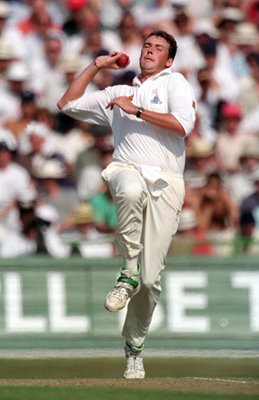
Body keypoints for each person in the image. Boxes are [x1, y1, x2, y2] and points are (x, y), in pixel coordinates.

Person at [57, 30, 196, 380]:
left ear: (168, 60)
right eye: (146, 46)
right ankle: (127, 271)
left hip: (167, 181)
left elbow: (182, 126)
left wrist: (138, 110)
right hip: (126, 169)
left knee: (151, 282)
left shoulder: (174, 83)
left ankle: (134, 347)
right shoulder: (120, 91)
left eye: (158, 49)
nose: (149, 51)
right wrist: (95, 65)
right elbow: (67, 104)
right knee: (129, 187)